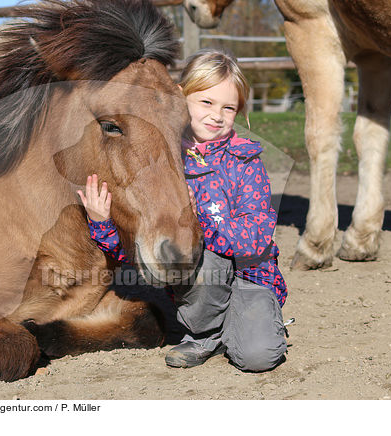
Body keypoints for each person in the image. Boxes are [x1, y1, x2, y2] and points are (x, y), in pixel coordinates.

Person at [77, 49, 288, 372]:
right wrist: (102, 223)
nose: (216, 115)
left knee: (258, 357)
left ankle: (248, 321)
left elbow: (256, 239)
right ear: (180, 97)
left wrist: (198, 217)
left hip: (250, 279)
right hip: (203, 280)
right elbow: (134, 250)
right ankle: (205, 333)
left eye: (228, 107)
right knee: (202, 257)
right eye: (206, 102)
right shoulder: (167, 162)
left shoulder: (245, 163)